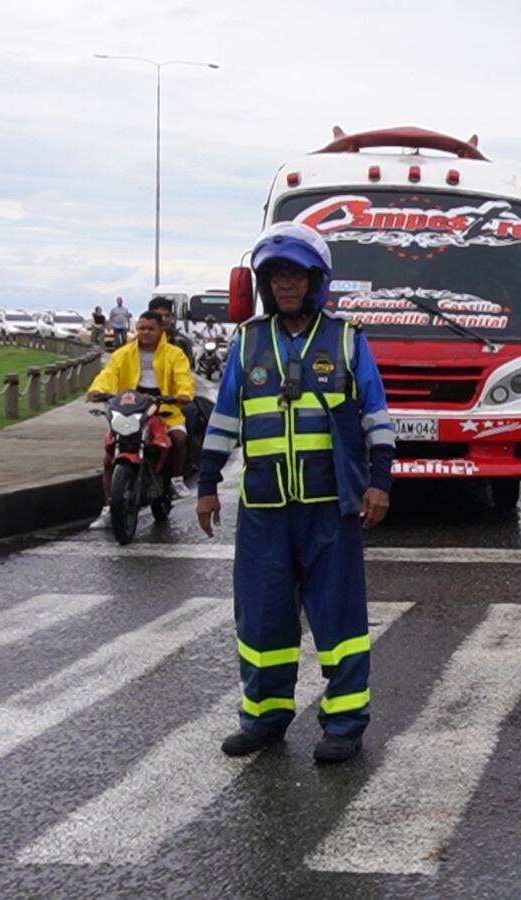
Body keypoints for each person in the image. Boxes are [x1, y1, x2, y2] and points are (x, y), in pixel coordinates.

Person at [196, 222, 395, 764]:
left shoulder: (347, 339)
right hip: (264, 509)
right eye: (276, 276)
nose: (286, 285)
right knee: (261, 619)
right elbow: (224, 418)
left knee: (339, 620)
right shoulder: (247, 341)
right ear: (265, 284)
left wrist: (380, 482)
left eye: (296, 275)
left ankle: (345, 724)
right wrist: (207, 484)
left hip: (331, 507)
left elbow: (377, 417)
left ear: (316, 281)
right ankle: (264, 719)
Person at [85, 311, 195, 527]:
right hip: (130, 408)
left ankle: (176, 480)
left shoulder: (175, 354)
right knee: (109, 457)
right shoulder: (123, 353)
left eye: (151, 328)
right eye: (142, 328)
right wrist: (98, 390)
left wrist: (183, 394)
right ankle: (108, 509)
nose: (145, 332)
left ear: (161, 330)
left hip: (165, 408)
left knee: (179, 438)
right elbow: (109, 374)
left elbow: (183, 377)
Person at [148, 296, 196, 367]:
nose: (164, 319)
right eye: (159, 315)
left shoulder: (182, 342)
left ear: (172, 316)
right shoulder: (141, 341)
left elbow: (186, 368)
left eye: (167, 315)